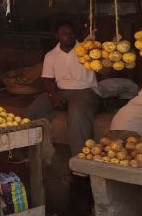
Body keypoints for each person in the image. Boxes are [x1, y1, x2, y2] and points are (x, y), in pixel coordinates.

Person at [28, 22, 100, 154]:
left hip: (85, 91)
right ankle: (36, 153)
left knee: (77, 115)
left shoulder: (87, 50)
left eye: (70, 32)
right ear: (57, 36)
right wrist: (53, 94)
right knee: (34, 109)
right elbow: (48, 79)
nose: (68, 35)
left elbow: (105, 71)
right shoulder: (50, 55)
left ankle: (80, 165)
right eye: (64, 33)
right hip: (61, 91)